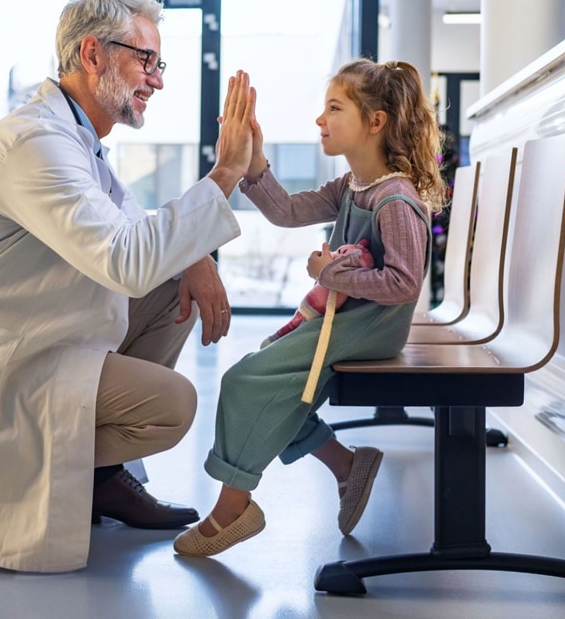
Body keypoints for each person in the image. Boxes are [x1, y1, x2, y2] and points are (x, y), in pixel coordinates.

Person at [0, 0, 258, 573]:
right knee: (172, 407)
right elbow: (125, 260)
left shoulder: (78, 140)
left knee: (174, 288)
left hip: (28, 334)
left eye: (158, 64)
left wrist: (192, 257)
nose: (158, 81)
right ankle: (41, 471)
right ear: (92, 53)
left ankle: (96, 479)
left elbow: (129, 231)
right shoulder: (36, 143)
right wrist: (224, 174)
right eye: (146, 61)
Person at [173, 58, 446, 557]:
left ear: (375, 122)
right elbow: (288, 212)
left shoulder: (395, 198)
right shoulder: (352, 187)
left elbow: (404, 284)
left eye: (334, 108)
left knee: (245, 381)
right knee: (271, 377)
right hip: (351, 316)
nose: (320, 120)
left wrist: (329, 273)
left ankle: (233, 508)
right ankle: (347, 466)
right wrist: (254, 159)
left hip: (372, 325)